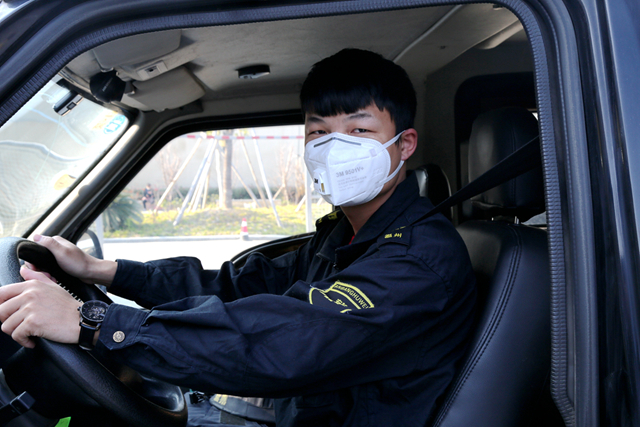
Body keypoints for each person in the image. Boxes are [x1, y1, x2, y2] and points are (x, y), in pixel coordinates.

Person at [0, 49, 476, 426]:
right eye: (319, 131)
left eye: (359, 129)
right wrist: (105, 271)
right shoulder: (344, 234)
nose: (335, 147)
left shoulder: (418, 259)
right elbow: (237, 286)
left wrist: (95, 322)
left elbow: (287, 343)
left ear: (404, 144)